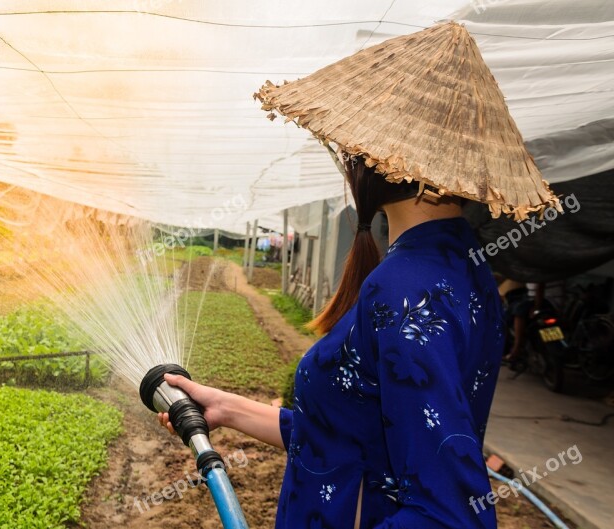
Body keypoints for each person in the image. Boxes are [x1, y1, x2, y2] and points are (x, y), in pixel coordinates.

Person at [159, 22, 559, 529]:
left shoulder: (406, 288)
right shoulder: (463, 264)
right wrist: (228, 409)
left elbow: (449, 514)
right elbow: (357, 437)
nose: (349, 156)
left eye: (357, 143)